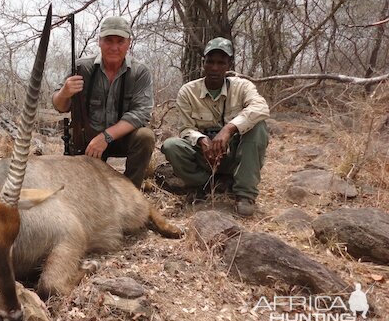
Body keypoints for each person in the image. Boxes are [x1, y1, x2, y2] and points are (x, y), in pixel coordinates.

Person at [160, 37, 269, 216]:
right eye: (210, 62)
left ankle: (245, 194)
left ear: (229, 64)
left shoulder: (242, 86)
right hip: (205, 157)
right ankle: (202, 186)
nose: (215, 68)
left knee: (259, 127)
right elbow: (186, 129)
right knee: (171, 146)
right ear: (203, 63)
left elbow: (261, 108)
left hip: (235, 154)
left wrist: (229, 129)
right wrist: (201, 140)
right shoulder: (188, 91)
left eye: (221, 62)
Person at [52, 16, 154, 189]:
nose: (114, 47)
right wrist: (64, 92)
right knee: (80, 190)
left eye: (120, 41)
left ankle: (130, 193)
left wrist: (106, 137)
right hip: (87, 141)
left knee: (145, 136)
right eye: (108, 41)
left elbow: (141, 113)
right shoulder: (81, 68)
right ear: (99, 41)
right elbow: (59, 106)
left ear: (129, 42)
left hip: (121, 138)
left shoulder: (140, 72)